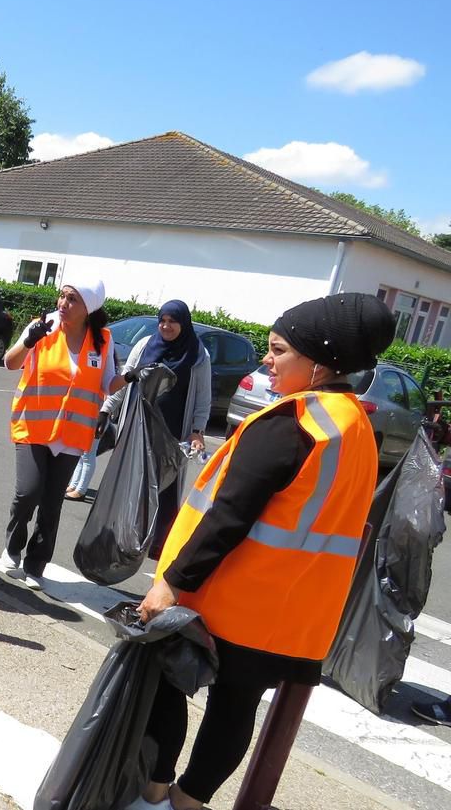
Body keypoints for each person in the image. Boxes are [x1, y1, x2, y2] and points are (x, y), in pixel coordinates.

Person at [126, 293, 396, 810]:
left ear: (320, 360)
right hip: (290, 617)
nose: (265, 361)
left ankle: (155, 787)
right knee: (235, 709)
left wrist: (172, 581)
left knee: (165, 679)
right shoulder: (355, 427)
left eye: (278, 350)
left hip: (229, 602)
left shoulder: (291, 424)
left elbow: (227, 516)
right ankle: (190, 799)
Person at [1, 279, 127, 590]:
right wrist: (29, 341)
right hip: (34, 426)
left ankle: (35, 565)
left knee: (52, 503)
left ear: (89, 308)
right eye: (63, 296)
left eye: (72, 299)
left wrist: (130, 377)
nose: (63, 303)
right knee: (28, 492)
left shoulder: (102, 341)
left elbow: (107, 384)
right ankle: (12, 546)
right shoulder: (42, 328)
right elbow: (9, 362)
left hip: (71, 434)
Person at [100, 300, 212, 555]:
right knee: (133, 481)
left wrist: (197, 430)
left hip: (173, 431)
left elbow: (203, 397)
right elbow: (126, 380)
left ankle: (159, 540)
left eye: (172, 321)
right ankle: (126, 535)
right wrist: (107, 409)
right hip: (138, 426)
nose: (166, 326)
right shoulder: (144, 346)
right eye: (162, 320)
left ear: (183, 323)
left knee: (166, 486)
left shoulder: (197, 354)